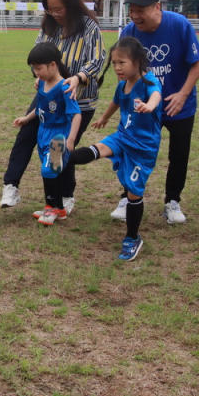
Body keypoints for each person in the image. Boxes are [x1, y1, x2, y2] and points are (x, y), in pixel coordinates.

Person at [1, 0, 105, 212]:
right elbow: (37, 55)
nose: (55, 13)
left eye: (59, 8)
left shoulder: (89, 27)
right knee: (26, 135)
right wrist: (37, 74)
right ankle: (11, 186)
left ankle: (63, 198)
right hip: (48, 97)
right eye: (50, 9)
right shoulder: (48, 27)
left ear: (72, 4)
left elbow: (97, 60)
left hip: (79, 100)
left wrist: (78, 78)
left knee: (61, 147)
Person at [113, 0, 199, 224]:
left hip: (178, 103)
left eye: (140, 10)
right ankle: (126, 196)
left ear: (157, 5)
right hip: (142, 108)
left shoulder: (179, 25)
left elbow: (198, 61)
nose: (135, 15)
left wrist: (183, 93)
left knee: (179, 154)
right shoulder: (129, 32)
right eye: (132, 9)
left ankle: (172, 201)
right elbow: (123, 68)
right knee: (132, 149)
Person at [69, 37, 162, 260]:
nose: (117, 68)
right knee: (99, 148)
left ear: (138, 61)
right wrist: (103, 118)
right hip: (122, 136)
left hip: (143, 148)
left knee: (133, 192)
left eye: (122, 63)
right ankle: (64, 157)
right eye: (114, 63)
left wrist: (150, 105)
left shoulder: (149, 83)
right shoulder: (123, 85)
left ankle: (132, 237)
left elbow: (157, 95)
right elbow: (117, 102)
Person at [13, 43, 82, 226]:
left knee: (48, 171)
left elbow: (76, 114)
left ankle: (51, 208)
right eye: (34, 69)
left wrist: (71, 140)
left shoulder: (64, 87)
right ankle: (57, 208)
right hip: (43, 134)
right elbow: (40, 108)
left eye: (39, 68)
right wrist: (27, 118)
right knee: (51, 172)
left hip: (58, 137)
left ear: (53, 65)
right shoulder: (43, 83)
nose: (36, 73)